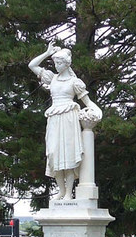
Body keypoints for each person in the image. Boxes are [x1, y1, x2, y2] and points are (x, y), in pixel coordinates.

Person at [28, 43, 103, 199]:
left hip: (69, 118)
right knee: (54, 155)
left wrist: (97, 111)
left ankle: (68, 193)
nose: (57, 65)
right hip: (54, 118)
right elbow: (32, 65)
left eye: (60, 63)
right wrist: (47, 53)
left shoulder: (75, 82)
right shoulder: (52, 78)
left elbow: (87, 102)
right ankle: (61, 190)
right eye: (55, 62)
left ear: (67, 63)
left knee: (68, 156)